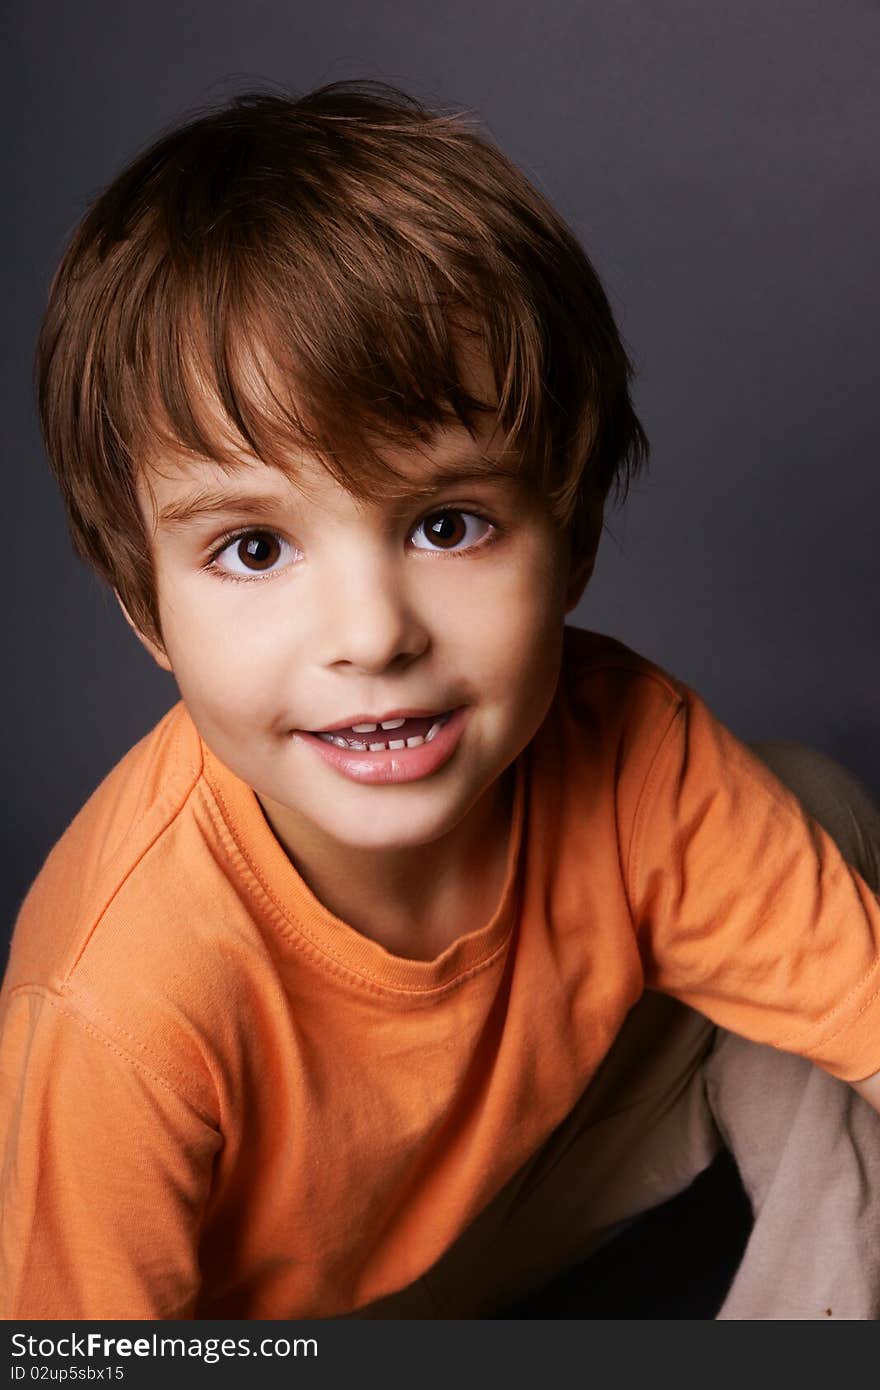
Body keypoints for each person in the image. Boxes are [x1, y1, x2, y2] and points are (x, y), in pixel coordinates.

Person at [1, 80, 879, 1322]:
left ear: (568, 547)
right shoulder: (118, 1004)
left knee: (813, 802)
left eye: (446, 524)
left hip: (506, 1206)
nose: (371, 636)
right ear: (145, 611)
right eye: (255, 547)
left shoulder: (629, 754)